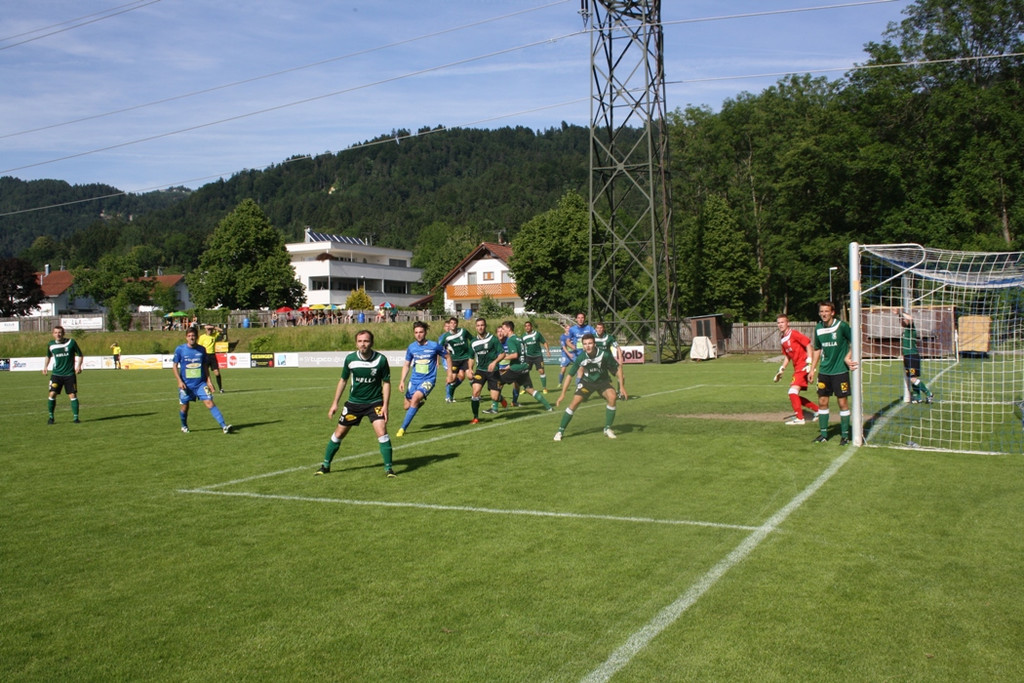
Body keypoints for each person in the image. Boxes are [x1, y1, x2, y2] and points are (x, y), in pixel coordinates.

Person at [316, 330, 396, 477]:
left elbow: (386, 383)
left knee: (382, 431)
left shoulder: (381, 360)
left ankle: (389, 469)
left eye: (366, 341)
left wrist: (385, 405)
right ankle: (325, 465)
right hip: (354, 404)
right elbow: (343, 381)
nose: (363, 344)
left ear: (371, 342)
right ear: (356, 343)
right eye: (360, 341)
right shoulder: (350, 359)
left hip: (375, 402)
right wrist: (335, 403)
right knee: (339, 433)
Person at [554, 332, 620, 440]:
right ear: (583, 345)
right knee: (574, 403)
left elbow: (618, 369)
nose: (587, 346)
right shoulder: (581, 357)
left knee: (612, 397)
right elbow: (570, 376)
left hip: (603, 382)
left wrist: (621, 387)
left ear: (594, 344)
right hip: (587, 383)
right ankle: (560, 431)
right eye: (585, 344)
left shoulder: (605, 354)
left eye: (589, 343)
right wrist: (562, 394)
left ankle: (607, 428)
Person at [809, 301, 859, 445]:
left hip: (840, 371)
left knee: (842, 402)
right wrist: (812, 368)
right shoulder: (818, 328)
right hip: (824, 372)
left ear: (832, 312)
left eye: (826, 311)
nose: (824, 314)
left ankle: (845, 435)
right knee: (822, 401)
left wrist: (848, 357)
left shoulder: (841, 326)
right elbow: (817, 349)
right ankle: (823, 434)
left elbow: (856, 341)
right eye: (821, 311)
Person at [172, 327, 232, 434]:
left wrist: (208, 381)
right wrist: (179, 381)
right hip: (186, 385)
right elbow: (175, 366)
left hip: (200, 384)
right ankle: (184, 425)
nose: (191, 338)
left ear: (197, 337)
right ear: (186, 337)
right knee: (185, 407)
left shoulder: (202, 350)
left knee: (210, 402)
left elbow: (205, 366)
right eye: (189, 336)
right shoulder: (180, 349)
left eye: (193, 335)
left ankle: (224, 426)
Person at [396, 321, 446, 437]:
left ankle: (402, 429)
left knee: (414, 399)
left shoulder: (433, 345)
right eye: (416, 332)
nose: (418, 334)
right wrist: (402, 380)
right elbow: (406, 364)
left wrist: (449, 374)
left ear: (425, 332)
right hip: (414, 380)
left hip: (428, 380)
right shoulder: (411, 347)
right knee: (406, 406)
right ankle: (417, 404)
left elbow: (447, 356)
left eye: (421, 332)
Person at [496, 321, 554, 411]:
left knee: (496, 383)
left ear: (509, 329)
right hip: (523, 368)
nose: (502, 331)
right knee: (530, 390)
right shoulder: (519, 339)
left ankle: (496, 406)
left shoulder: (511, 340)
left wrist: (503, 357)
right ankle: (548, 407)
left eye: (503, 329)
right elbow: (520, 356)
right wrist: (509, 366)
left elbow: (515, 355)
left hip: (516, 370)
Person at [775, 314, 818, 425]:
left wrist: (809, 361)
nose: (780, 324)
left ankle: (800, 418)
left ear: (787, 323)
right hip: (797, 367)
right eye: (778, 322)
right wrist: (782, 369)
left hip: (803, 366)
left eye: (782, 322)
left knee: (792, 392)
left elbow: (808, 344)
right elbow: (788, 356)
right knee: (794, 394)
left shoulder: (793, 333)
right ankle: (818, 411)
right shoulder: (782, 339)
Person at [43, 325, 84, 424]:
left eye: (60, 332)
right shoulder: (51, 344)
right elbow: (48, 356)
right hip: (56, 375)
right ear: (53, 334)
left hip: (69, 374)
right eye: (56, 332)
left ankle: (76, 418)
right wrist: (45, 367)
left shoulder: (71, 342)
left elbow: (80, 354)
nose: (58, 334)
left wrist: (78, 366)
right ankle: (51, 417)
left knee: (72, 395)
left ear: (63, 333)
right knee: (52, 394)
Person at [468, 317, 505, 423]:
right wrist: (470, 368)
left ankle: (501, 398)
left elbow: (502, 354)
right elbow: (471, 357)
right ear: (476, 327)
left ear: (485, 326)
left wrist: (494, 362)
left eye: (482, 325)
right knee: (475, 392)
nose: (480, 327)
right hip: (480, 371)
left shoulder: (493, 339)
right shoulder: (473, 342)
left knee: (494, 397)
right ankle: (475, 417)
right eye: (478, 325)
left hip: (493, 371)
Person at [901, 312, 934, 404]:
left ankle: (928, 393)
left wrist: (901, 312)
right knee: (912, 377)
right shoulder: (905, 330)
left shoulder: (911, 328)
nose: (902, 321)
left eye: (903, 319)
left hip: (912, 356)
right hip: (907, 356)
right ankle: (917, 397)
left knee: (913, 378)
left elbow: (911, 318)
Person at [439, 316, 474, 403]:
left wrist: (472, 350)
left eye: (455, 323)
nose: (453, 325)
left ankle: (476, 395)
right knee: (452, 379)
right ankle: (449, 396)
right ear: (449, 325)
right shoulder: (446, 336)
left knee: (470, 375)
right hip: (454, 360)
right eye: (451, 323)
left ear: (457, 324)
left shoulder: (463, 331)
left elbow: (473, 340)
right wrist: (445, 352)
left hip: (466, 358)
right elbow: (439, 347)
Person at [593, 322, 627, 399]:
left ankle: (620, 392)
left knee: (622, 376)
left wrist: (620, 359)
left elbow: (618, 348)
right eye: (598, 328)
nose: (599, 329)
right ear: (596, 329)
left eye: (601, 328)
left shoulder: (609, 337)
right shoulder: (593, 337)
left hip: (609, 361)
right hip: (599, 363)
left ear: (603, 329)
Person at [521, 320, 550, 393]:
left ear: (531, 327)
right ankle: (526, 388)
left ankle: (544, 388)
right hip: (528, 356)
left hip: (538, 356)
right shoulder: (523, 336)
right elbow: (522, 346)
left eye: (528, 326)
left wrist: (547, 351)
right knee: (525, 372)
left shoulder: (537, 334)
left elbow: (544, 342)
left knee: (541, 371)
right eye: (526, 326)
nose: (527, 327)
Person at [197, 324, 224, 392]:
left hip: (212, 356)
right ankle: (209, 387)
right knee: (206, 374)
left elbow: (222, 330)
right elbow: (199, 347)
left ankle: (220, 388)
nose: (210, 331)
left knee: (217, 373)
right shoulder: (202, 337)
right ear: (206, 330)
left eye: (211, 329)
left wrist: (214, 327)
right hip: (205, 356)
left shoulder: (214, 335)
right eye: (208, 329)